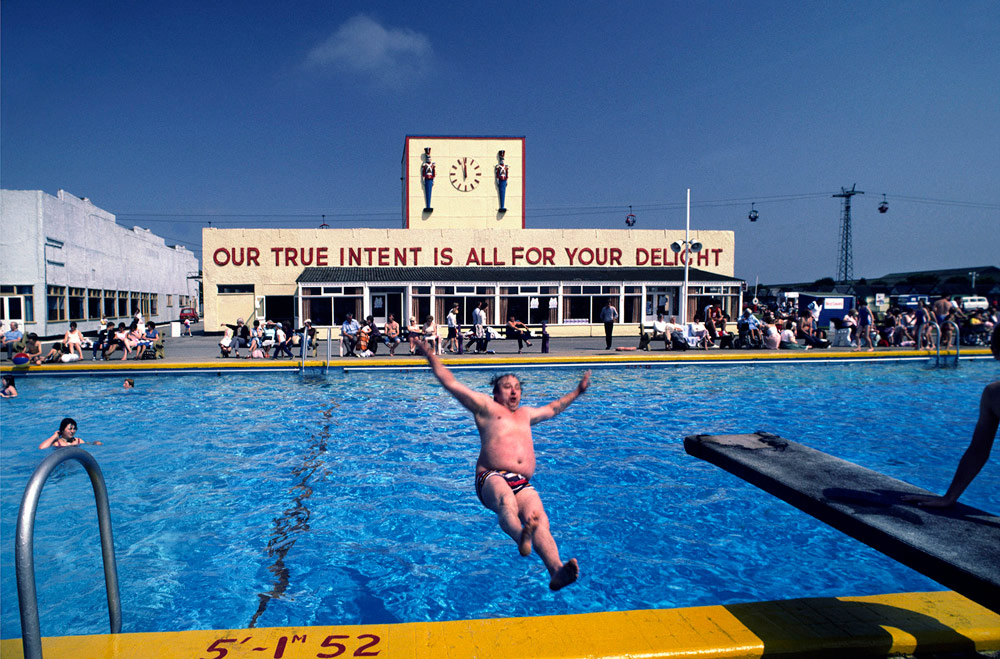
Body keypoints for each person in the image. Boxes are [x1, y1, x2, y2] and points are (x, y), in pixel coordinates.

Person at [414, 336, 589, 590]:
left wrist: (578, 391)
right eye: (507, 386)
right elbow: (450, 382)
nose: (514, 390)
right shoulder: (485, 407)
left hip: (521, 481)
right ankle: (521, 538)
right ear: (495, 393)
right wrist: (430, 355)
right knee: (506, 501)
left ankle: (556, 570)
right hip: (491, 475)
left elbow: (555, 407)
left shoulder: (526, 414)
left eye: (517, 387)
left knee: (538, 518)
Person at [903, 330, 999, 508]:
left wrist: (948, 497)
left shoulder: (994, 394)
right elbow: (978, 451)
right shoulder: (992, 394)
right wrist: (948, 498)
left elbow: (978, 451)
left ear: (994, 351)